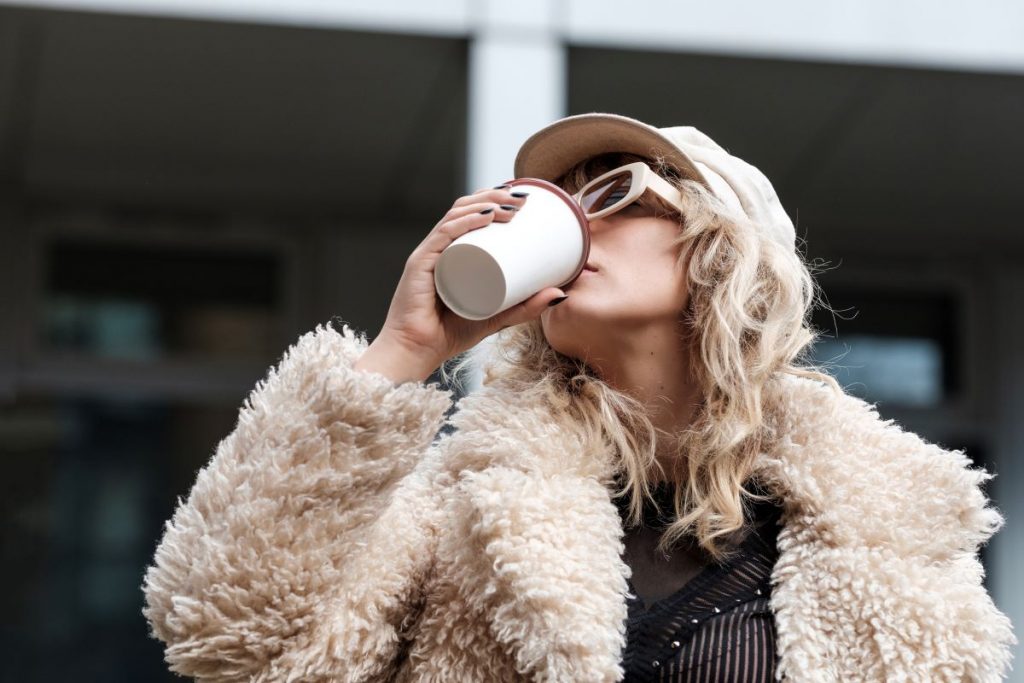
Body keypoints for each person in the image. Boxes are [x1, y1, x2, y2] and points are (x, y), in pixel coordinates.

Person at [141, 113, 1015, 682]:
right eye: (562, 199)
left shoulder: (894, 537)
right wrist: (403, 352)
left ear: (721, 248)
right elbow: (228, 638)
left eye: (617, 191)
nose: (573, 222)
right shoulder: (461, 507)